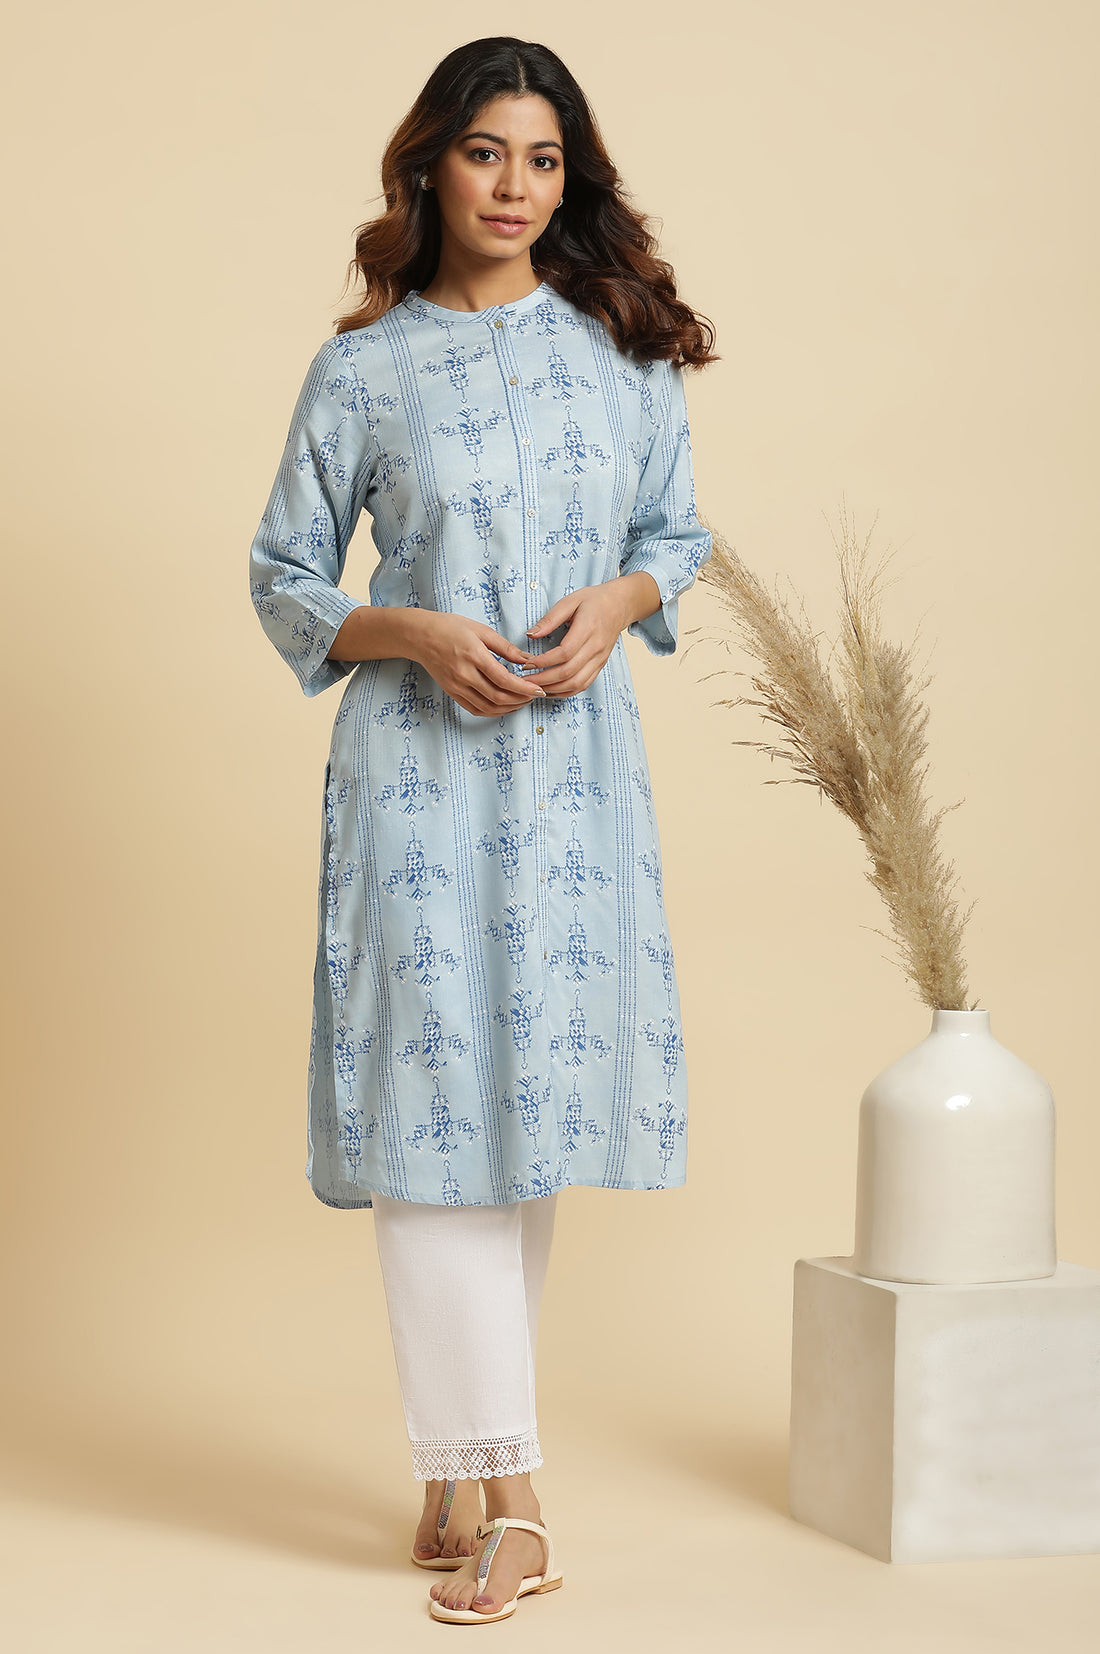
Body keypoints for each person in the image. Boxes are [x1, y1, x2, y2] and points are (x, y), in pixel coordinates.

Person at [248, 35, 717, 1625]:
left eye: (543, 159)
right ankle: (516, 1501)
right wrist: (414, 630)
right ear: (430, 166)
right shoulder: (364, 370)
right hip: (416, 782)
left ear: (568, 180)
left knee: (524, 1112)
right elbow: (285, 573)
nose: (514, 186)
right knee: (433, 1107)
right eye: (485, 152)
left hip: (575, 778)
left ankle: (458, 1462)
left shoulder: (619, 349)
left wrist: (623, 600)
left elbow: (676, 530)